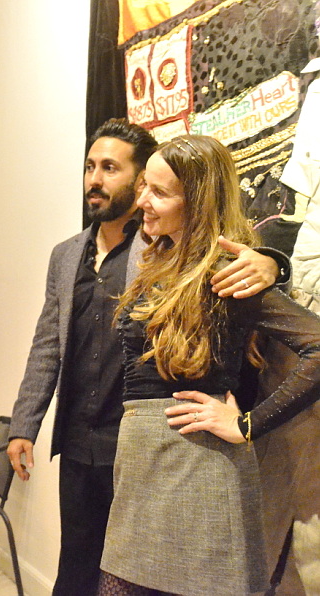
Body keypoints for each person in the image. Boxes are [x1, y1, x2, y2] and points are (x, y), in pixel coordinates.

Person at [6, 119, 286, 595]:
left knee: (146, 574)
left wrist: (274, 262)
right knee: (76, 568)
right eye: (90, 166)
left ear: (140, 180)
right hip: (78, 441)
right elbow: (47, 344)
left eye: (110, 168)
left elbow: (227, 263)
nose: (95, 179)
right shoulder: (66, 255)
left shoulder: (162, 246)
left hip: (149, 445)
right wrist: (23, 424)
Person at [97, 134, 320, 594]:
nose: (142, 201)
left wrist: (247, 424)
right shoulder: (163, 259)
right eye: (144, 186)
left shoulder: (223, 272)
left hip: (197, 466)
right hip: (146, 464)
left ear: (197, 202)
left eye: (159, 192)